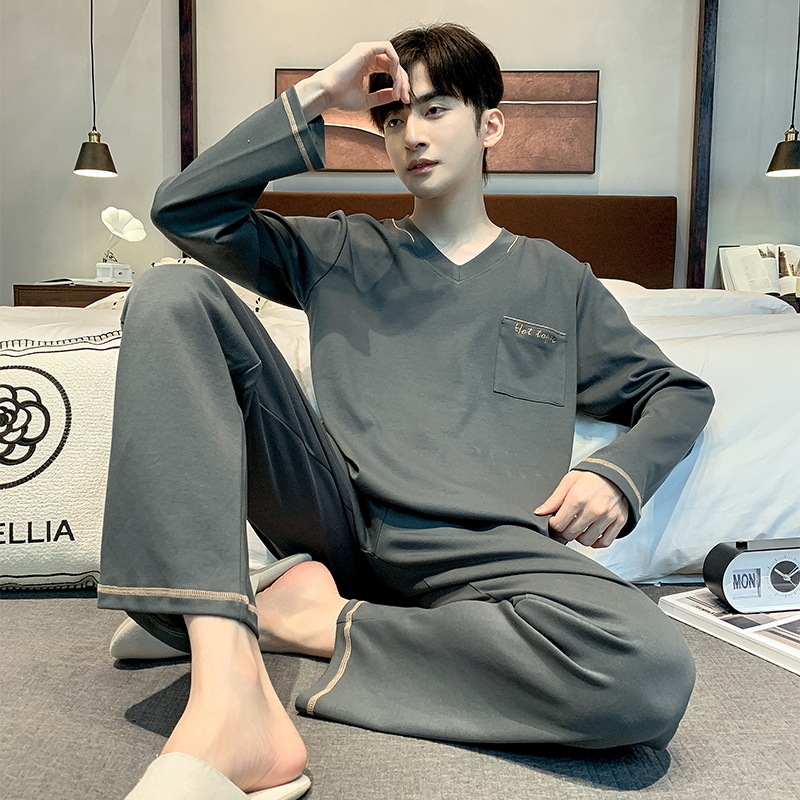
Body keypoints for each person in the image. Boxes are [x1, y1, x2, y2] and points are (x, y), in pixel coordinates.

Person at [99, 23, 715, 800]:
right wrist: (319, 95)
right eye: (393, 119)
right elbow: (186, 212)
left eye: (435, 109)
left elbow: (677, 392)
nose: (410, 134)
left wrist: (618, 474)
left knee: (648, 670)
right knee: (169, 291)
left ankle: (297, 620)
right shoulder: (341, 250)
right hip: (335, 516)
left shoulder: (559, 280)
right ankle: (228, 685)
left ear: (490, 125)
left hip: (486, 550)